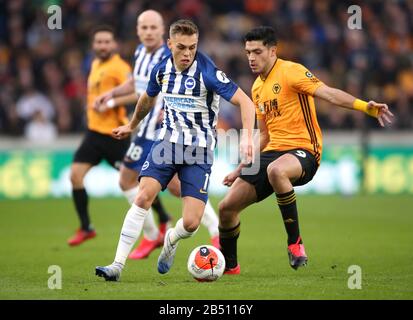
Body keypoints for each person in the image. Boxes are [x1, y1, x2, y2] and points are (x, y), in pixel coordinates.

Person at [218, 26, 394, 274]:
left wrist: (365, 106)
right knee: (226, 208)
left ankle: (295, 243)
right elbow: (265, 135)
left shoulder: (292, 71)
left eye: (257, 52)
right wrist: (240, 168)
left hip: (304, 150)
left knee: (277, 171)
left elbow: (329, 94)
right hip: (272, 153)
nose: (251, 58)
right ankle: (230, 268)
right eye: (248, 52)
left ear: (272, 51)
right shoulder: (257, 87)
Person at [95, 19, 255, 281]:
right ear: (169, 44)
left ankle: (171, 239)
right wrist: (132, 125)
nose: (187, 53)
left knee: (191, 223)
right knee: (143, 196)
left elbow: (246, 103)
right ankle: (116, 265)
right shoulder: (162, 69)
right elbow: (147, 98)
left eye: (192, 47)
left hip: (199, 152)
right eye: (181, 47)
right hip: (166, 144)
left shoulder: (208, 72)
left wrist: (247, 138)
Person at [94, 10, 220, 260]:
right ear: (138, 30)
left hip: (164, 131)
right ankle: (157, 233)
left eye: (153, 27)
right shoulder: (140, 53)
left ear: (163, 32)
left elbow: (176, 91)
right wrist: (112, 96)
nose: (148, 32)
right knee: (131, 181)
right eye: (144, 27)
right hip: (144, 129)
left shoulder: (173, 55)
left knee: (169, 187)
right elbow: (139, 87)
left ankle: (205, 229)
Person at [67, 25, 132, 246]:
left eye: (107, 42)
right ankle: (86, 228)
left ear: (114, 44)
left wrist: (111, 102)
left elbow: (137, 94)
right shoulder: (95, 64)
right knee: (75, 175)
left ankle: (162, 219)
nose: (103, 46)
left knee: (136, 181)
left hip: (115, 134)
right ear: (93, 45)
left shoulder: (120, 67)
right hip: (94, 133)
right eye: (99, 42)